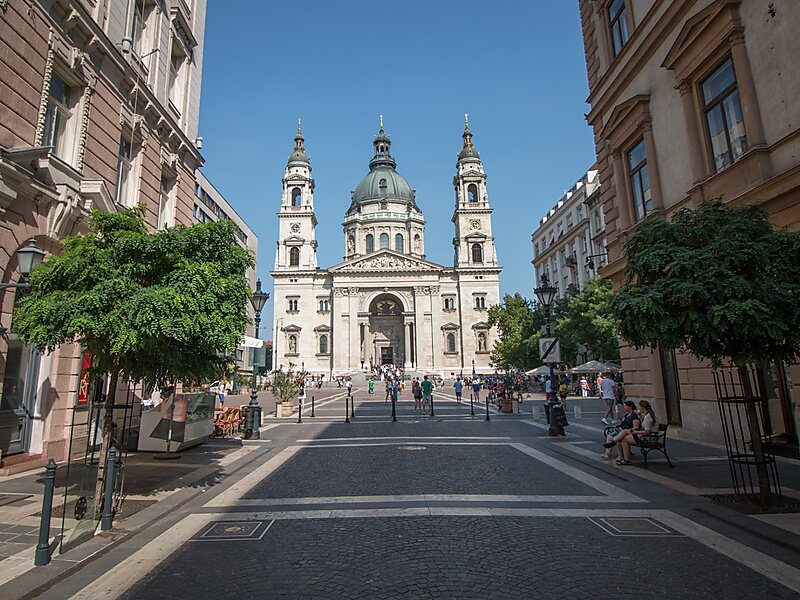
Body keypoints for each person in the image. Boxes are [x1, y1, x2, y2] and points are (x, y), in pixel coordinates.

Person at [615, 400, 657, 465]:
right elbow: (645, 425)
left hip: (648, 438)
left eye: (640, 407)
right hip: (649, 437)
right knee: (625, 434)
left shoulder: (648, 417)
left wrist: (635, 432)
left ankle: (626, 459)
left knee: (624, 439)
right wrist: (640, 417)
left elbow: (647, 432)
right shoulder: (648, 415)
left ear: (643, 408)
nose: (639, 409)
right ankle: (616, 441)